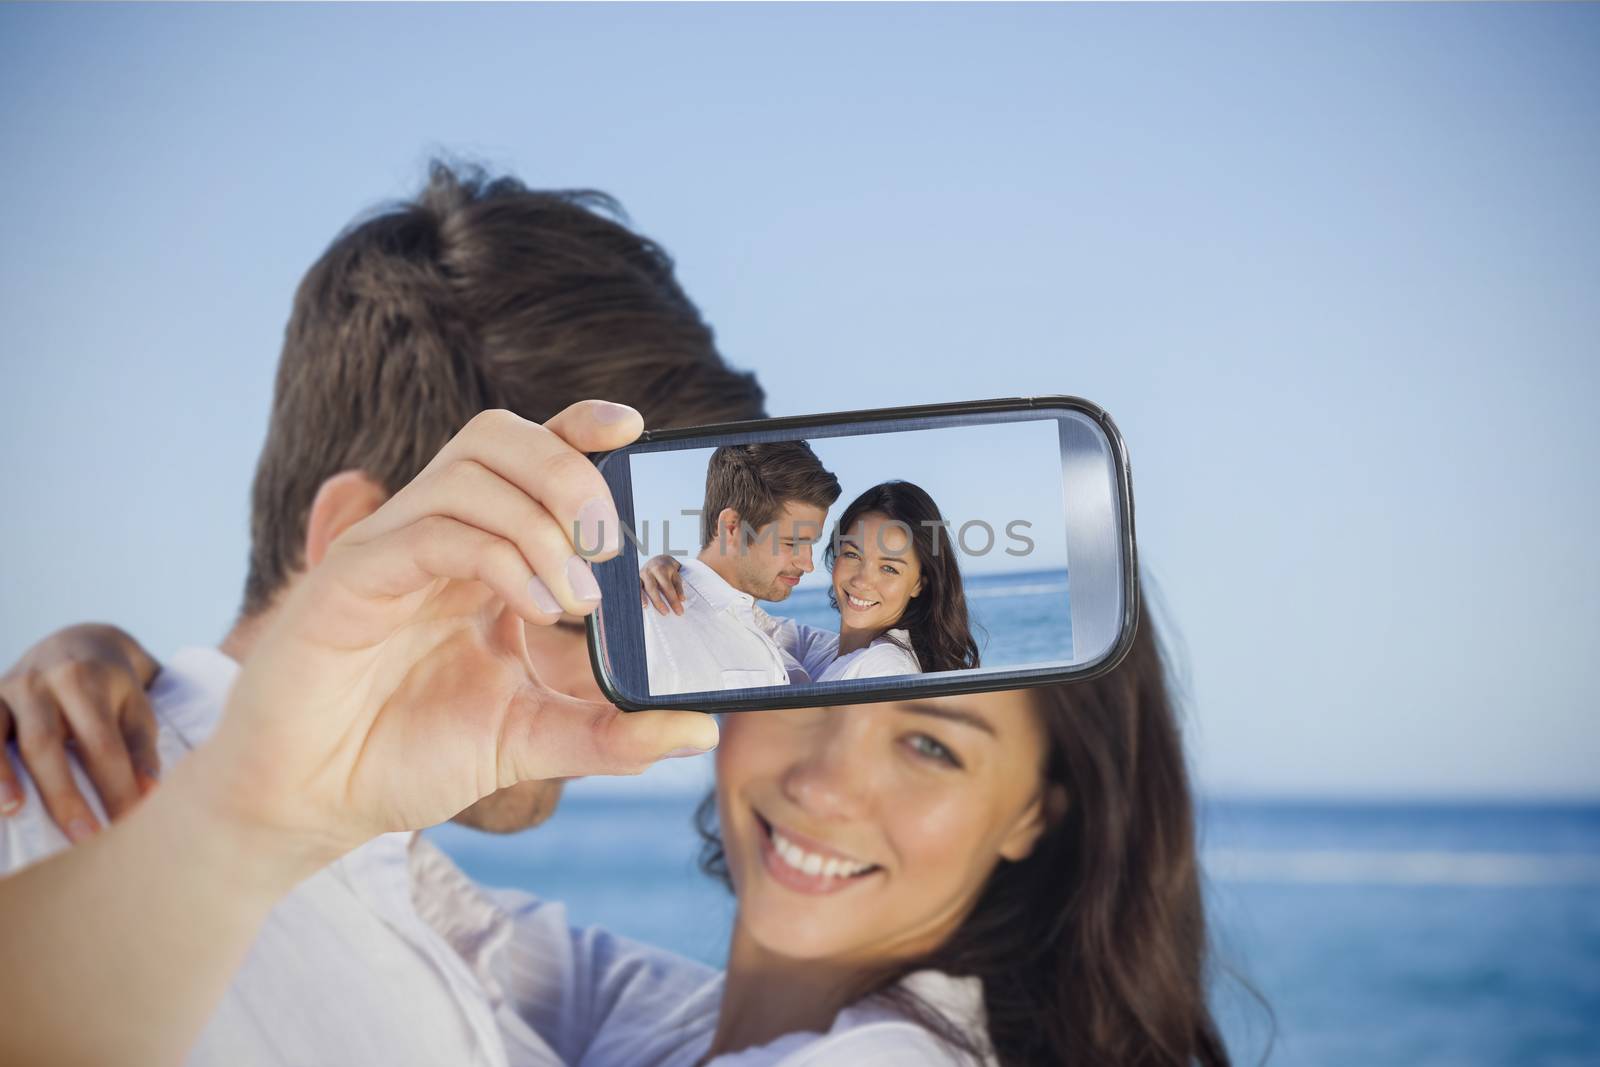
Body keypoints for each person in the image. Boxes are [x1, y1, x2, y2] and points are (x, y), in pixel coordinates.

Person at [0, 158, 765, 1066]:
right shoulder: (42, 816)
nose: (631, 694)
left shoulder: (430, 908)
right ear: (364, 544)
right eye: (582, 609)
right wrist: (244, 814)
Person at [5, 583, 1233, 1066]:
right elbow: (420, 910)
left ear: (1037, 810)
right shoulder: (663, 1018)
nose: (823, 778)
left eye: (929, 742)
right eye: (803, 693)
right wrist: (153, 676)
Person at [643, 480, 982, 683]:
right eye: (852, 554)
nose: (863, 579)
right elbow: (746, 618)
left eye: (889, 568)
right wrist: (675, 568)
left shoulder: (884, 667)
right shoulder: (827, 651)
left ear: (919, 583)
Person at [640, 442, 841, 696]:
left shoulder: (764, 627)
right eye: (791, 542)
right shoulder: (653, 626)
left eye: (810, 543)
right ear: (732, 527)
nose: (808, 564)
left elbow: (853, 649)